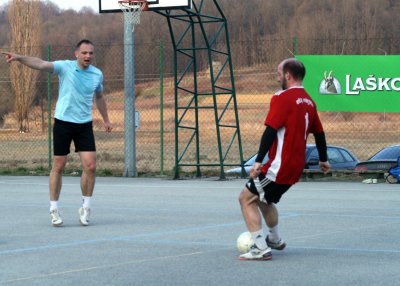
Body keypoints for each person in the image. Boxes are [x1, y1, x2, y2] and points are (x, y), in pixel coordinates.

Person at [2, 39, 113, 227]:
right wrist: (19, 57)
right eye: (84, 53)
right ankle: (54, 209)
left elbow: (100, 97)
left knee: (91, 166)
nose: (88, 56)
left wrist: (106, 119)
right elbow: (40, 63)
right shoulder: (65, 67)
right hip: (63, 123)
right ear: (76, 54)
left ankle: (85, 207)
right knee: (59, 166)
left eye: (90, 53)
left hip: (84, 125)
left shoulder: (97, 75)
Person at [238, 58, 330, 260]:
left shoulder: (282, 97)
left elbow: (271, 130)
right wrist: (324, 159)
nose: (277, 76)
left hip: (278, 166)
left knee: (245, 198)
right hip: (295, 167)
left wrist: (258, 161)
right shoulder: (309, 101)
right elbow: (320, 133)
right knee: (264, 199)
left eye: (279, 73)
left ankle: (261, 249)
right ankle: (275, 239)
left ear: (288, 75)